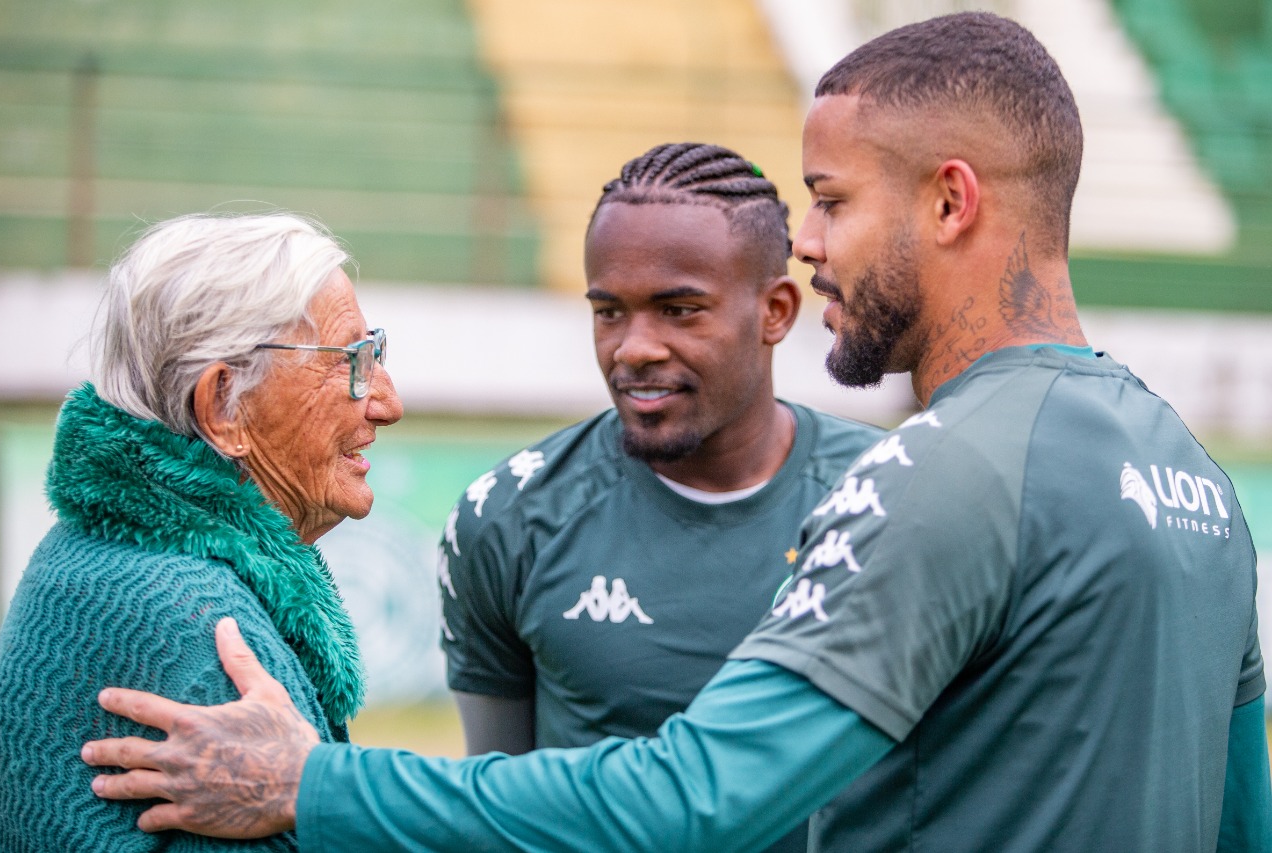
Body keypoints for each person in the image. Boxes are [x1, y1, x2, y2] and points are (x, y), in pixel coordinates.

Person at [80, 13, 1271, 852]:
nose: (807, 240)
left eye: (832, 202)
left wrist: (315, 783)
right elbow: (1239, 826)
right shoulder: (1193, 478)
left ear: (950, 201)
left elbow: (695, 797)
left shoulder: (935, 473)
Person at [440, 141, 880, 853]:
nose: (633, 347)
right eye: (609, 312)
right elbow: (495, 809)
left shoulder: (885, 496)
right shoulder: (508, 518)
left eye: (678, 310)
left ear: (775, 311)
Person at [0, 211, 402, 850]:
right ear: (223, 407)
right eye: (351, 361)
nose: (386, 400)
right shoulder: (210, 632)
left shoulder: (106, 551)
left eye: (375, 352)